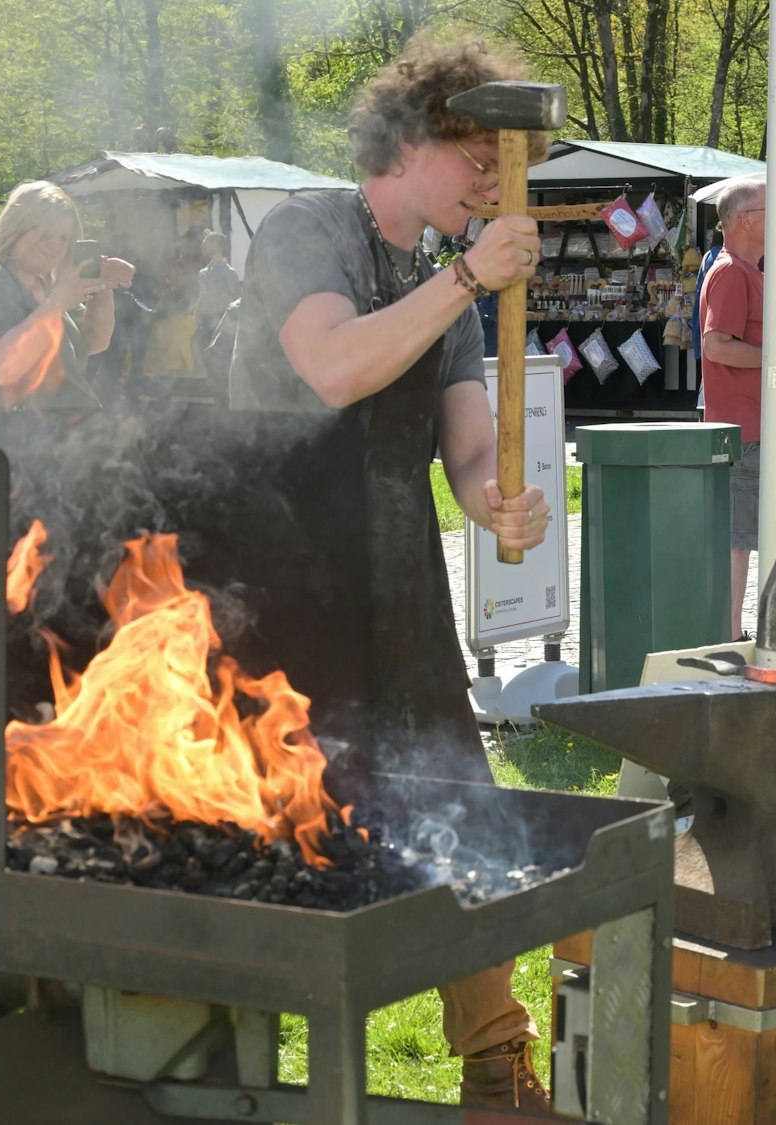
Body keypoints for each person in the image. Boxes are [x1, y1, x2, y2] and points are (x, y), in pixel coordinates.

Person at [226, 33, 552, 1110]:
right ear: (411, 141)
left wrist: (490, 496)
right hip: (273, 582)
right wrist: (466, 276)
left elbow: (462, 441)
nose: (495, 191)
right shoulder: (308, 228)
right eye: (479, 165)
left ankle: (495, 1060)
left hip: (397, 581)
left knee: (461, 806)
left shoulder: (439, 278)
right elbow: (330, 368)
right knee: (279, 827)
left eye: (510, 175)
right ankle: (250, 1063)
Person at [0, 181, 132, 411]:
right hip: (18, 435)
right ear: (17, 226)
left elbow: (95, 341)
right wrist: (56, 304)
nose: (54, 245)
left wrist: (101, 286)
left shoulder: (45, 284)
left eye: (64, 238)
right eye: (45, 233)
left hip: (64, 433)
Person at [698, 179, 768, 640]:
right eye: (771, 208)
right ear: (746, 219)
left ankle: (735, 629)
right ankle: (729, 631)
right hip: (742, 428)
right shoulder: (731, 272)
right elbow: (715, 345)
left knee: (745, 538)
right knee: (738, 540)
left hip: (757, 424)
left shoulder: (749, 270)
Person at [195, 230, 241, 383]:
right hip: (205, 321)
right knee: (206, 357)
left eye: (208, 242)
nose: (204, 245)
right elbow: (202, 295)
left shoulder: (230, 273)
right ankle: (215, 390)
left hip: (222, 322)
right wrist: (197, 313)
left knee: (221, 360)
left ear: (217, 246)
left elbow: (236, 300)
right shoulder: (203, 272)